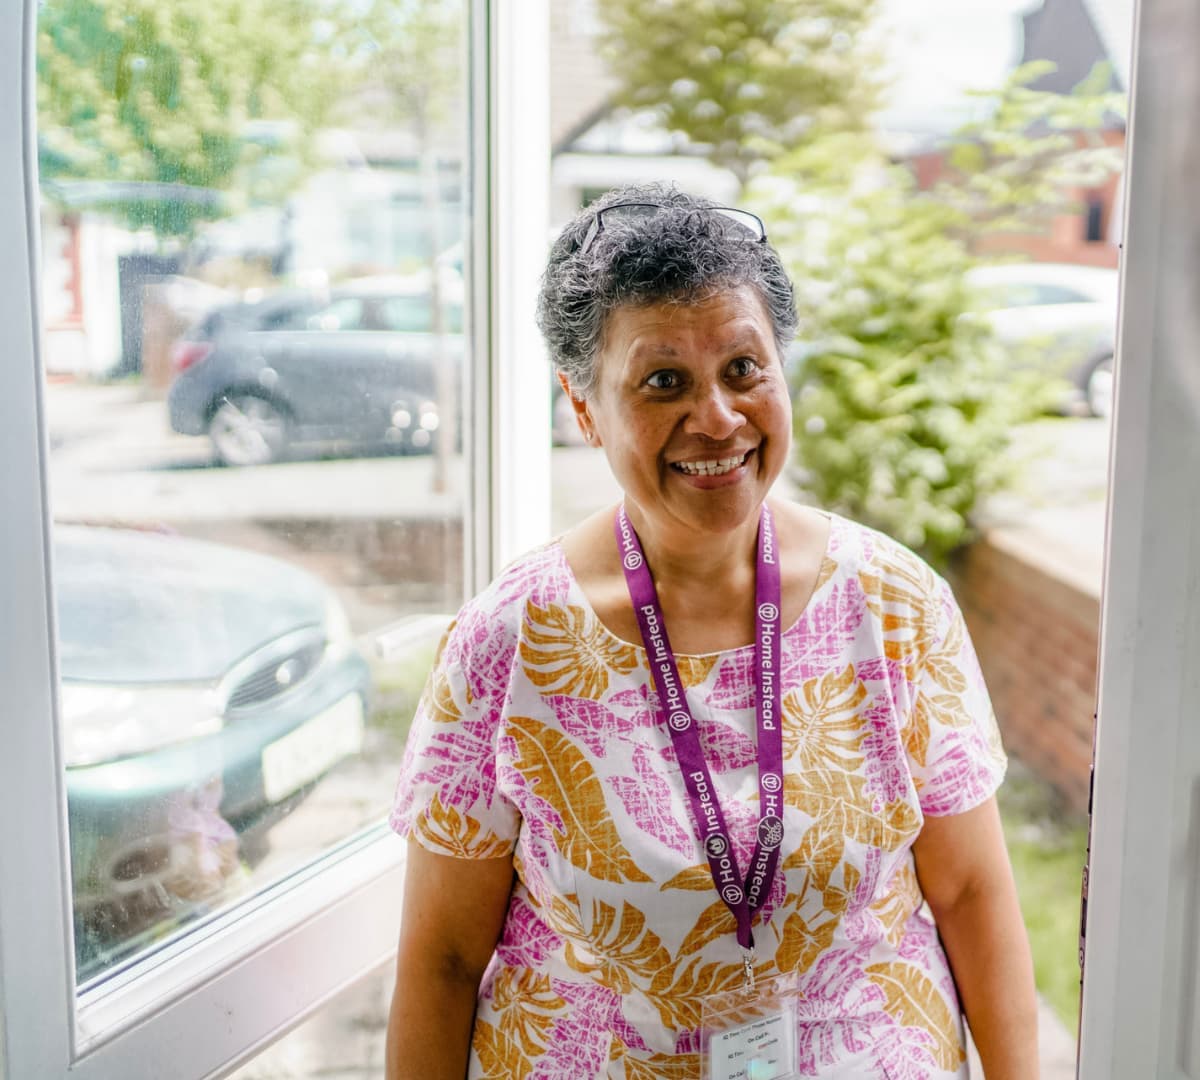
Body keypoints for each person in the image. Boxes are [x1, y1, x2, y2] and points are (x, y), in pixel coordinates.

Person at [385, 183, 1039, 1079]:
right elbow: (445, 958)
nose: (719, 419)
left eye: (743, 369)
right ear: (584, 410)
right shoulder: (512, 641)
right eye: (664, 382)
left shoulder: (894, 605)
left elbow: (969, 890)